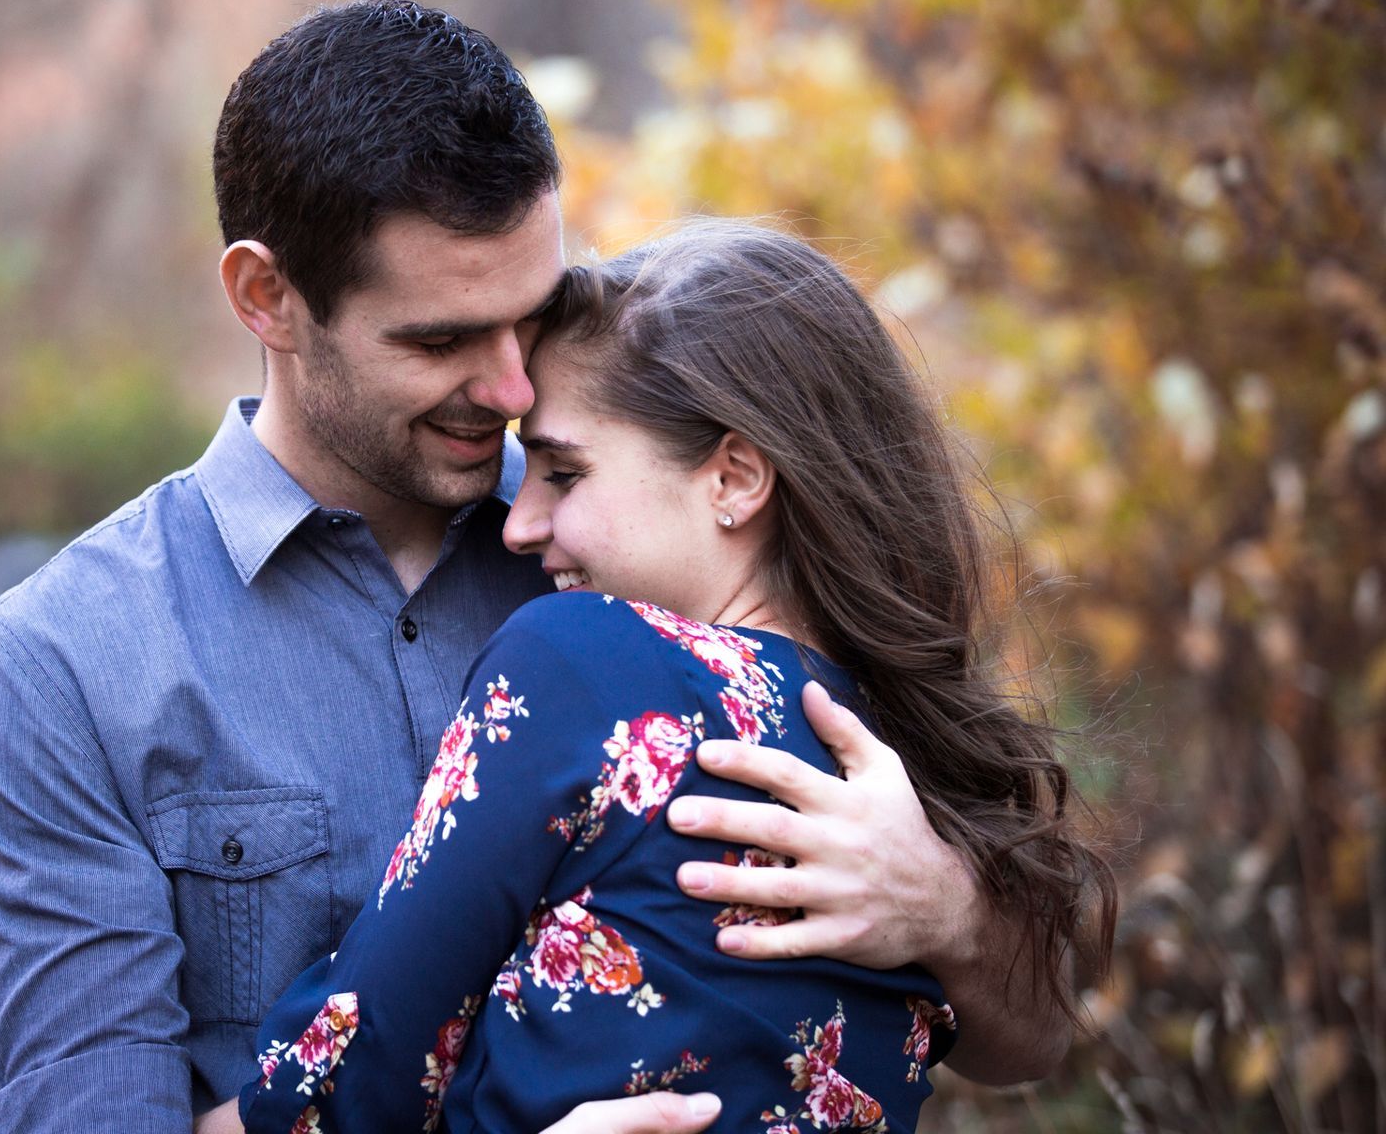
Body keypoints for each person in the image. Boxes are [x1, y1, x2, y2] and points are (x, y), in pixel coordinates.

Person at [0, 0, 1082, 1134]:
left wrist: (950, 914)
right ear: (268, 298)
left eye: (527, 320)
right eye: (441, 339)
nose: (506, 390)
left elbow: (1035, 1032)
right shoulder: (67, 664)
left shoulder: (637, 556)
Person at [237, 221, 1117, 1132]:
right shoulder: (896, 754)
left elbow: (339, 1082)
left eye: (562, 472)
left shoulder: (582, 663)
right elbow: (1036, 1042)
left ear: (735, 478)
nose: (518, 523)